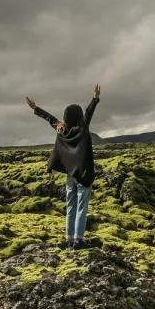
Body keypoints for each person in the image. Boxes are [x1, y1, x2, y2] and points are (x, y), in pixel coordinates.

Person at [26, 84, 101, 250]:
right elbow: (88, 114)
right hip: (83, 176)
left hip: (70, 177)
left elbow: (50, 119)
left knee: (71, 207)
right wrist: (94, 99)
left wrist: (36, 108)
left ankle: (69, 239)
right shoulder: (82, 128)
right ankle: (78, 240)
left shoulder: (61, 129)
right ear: (78, 116)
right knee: (81, 208)